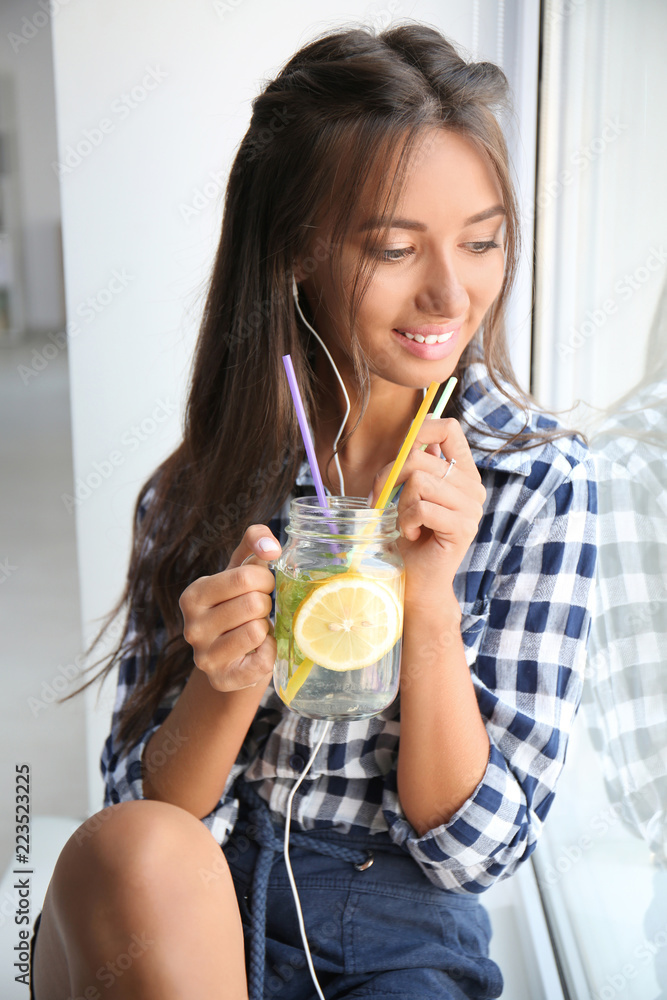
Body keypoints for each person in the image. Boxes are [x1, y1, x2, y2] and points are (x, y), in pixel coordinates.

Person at [30, 21, 598, 1000]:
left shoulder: (541, 482)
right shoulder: (203, 486)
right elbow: (148, 806)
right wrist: (228, 676)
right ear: (299, 248)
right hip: (198, 911)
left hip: (402, 943)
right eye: (392, 247)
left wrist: (429, 598)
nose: (448, 291)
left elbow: (477, 855)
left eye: (481, 242)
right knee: (130, 851)